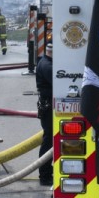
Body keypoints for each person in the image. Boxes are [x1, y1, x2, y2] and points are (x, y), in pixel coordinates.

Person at [36, 43, 54, 185]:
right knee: (49, 141)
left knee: (49, 140)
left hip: (48, 106)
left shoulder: (46, 62)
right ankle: (45, 175)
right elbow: (59, 81)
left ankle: (47, 172)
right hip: (48, 108)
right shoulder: (47, 66)